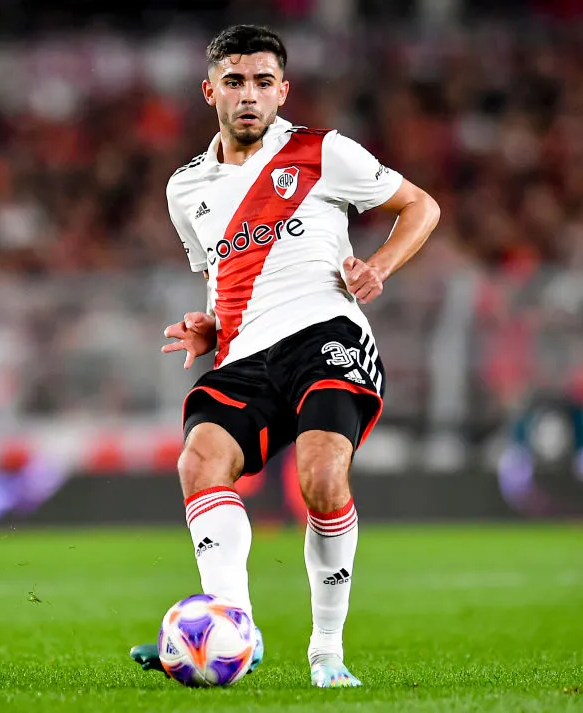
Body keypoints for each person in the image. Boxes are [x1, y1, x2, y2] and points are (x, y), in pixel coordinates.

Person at [129, 24, 440, 688]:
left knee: (321, 476)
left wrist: (379, 265)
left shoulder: (322, 151)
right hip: (246, 353)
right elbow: (224, 274)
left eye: (263, 82)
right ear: (210, 90)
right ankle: (233, 627)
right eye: (235, 81)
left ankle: (327, 651)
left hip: (327, 336)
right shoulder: (185, 188)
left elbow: (420, 205)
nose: (249, 94)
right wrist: (210, 327)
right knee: (200, 460)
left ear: (282, 91)